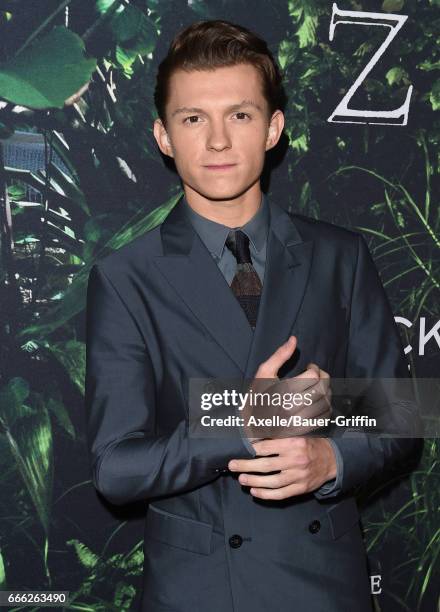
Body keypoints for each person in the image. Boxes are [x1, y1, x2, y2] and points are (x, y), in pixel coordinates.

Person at [84, 19, 421, 612]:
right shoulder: (125, 278)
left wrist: (331, 459)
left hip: (325, 586)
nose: (217, 142)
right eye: (194, 119)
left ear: (273, 129)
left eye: (239, 115)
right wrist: (248, 423)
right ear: (164, 137)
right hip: (199, 592)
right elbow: (116, 468)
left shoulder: (339, 256)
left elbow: (398, 415)